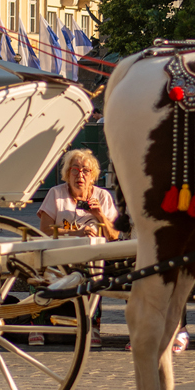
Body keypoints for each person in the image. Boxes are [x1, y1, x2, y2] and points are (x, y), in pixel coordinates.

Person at [37, 149, 120, 348]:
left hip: (95, 256)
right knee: (38, 263)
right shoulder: (56, 194)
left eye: (85, 171)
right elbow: (45, 230)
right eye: (75, 170)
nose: (80, 175)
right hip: (60, 254)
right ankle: (38, 325)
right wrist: (75, 233)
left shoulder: (103, 196)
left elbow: (115, 236)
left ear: (93, 176)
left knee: (98, 271)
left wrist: (99, 214)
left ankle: (93, 326)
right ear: (67, 173)